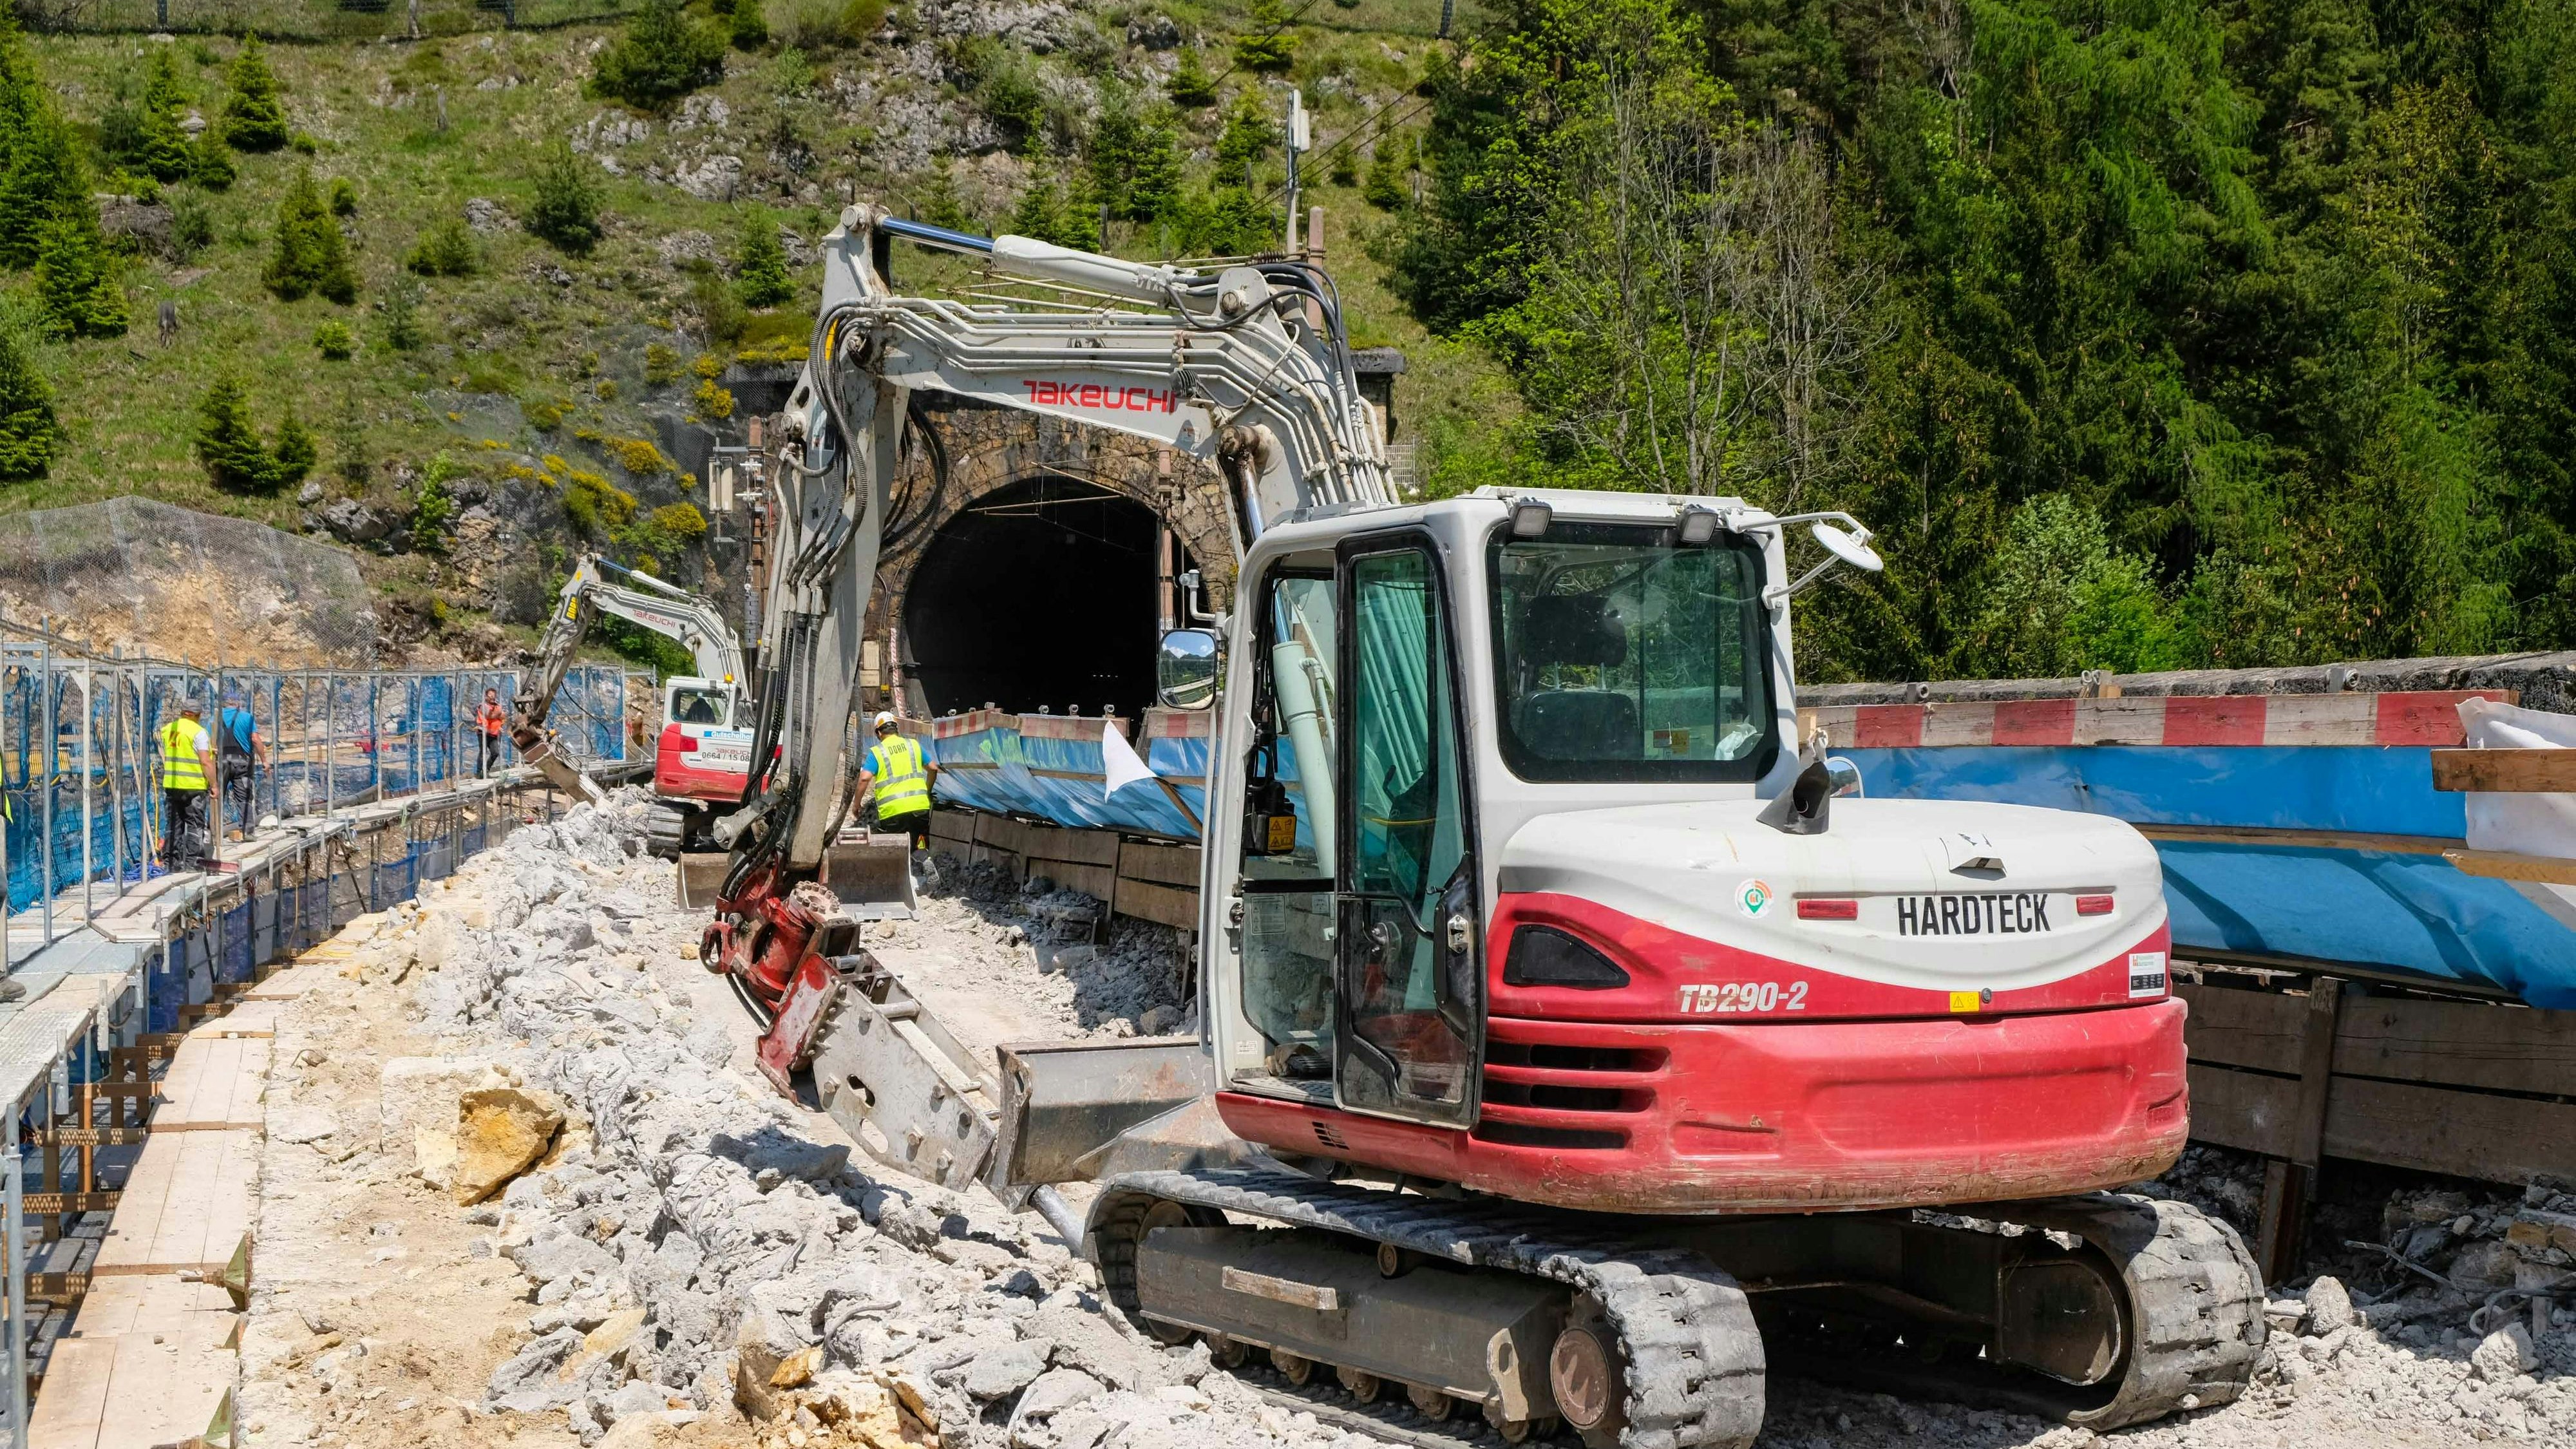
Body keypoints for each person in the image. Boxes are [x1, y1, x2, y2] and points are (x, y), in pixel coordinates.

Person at [858, 710, 936, 848]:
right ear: (896, 729)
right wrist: (926, 791)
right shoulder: (914, 745)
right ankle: (924, 860)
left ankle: (904, 867)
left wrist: (856, 805)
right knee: (920, 846)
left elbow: (864, 779)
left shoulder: (877, 752)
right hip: (920, 807)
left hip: (893, 813)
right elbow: (933, 769)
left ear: (879, 733)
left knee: (898, 852)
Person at [157, 702, 215, 871]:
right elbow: (205, 761)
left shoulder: (169, 729)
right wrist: (214, 785)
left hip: (173, 785)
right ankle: (192, 863)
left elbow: (181, 749)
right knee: (195, 824)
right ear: (197, 715)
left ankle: (170, 863)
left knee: (173, 824)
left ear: (183, 713)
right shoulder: (199, 732)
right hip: (194, 786)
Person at [216, 696, 267, 843]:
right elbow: (255, 739)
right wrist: (264, 761)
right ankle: (248, 832)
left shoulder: (215, 718)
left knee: (217, 797)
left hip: (221, 763)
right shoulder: (247, 717)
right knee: (244, 798)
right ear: (238, 704)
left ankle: (214, 832)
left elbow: (208, 739)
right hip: (242, 764)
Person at [477, 688, 509, 776]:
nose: (492, 698)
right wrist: (498, 714)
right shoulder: (482, 705)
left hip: (493, 733)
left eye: (494, 696)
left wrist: (498, 715)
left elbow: (503, 716)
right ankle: (479, 772)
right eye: (490, 696)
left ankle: (486, 770)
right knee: (483, 752)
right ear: (486, 696)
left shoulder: (497, 706)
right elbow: (489, 715)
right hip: (483, 732)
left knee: (495, 753)